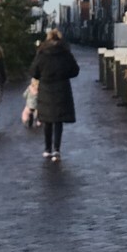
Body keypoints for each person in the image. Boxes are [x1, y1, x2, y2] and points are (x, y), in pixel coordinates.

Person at [30, 29, 80, 161]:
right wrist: (64, 75)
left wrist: (42, 76)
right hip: (61, 88)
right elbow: (75, 71)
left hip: (46, 89)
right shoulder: (65, 53)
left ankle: (47, 149)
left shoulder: (41, 53)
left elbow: (34, 71)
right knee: (58, 121)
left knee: (47, 120)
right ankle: (57, 149)